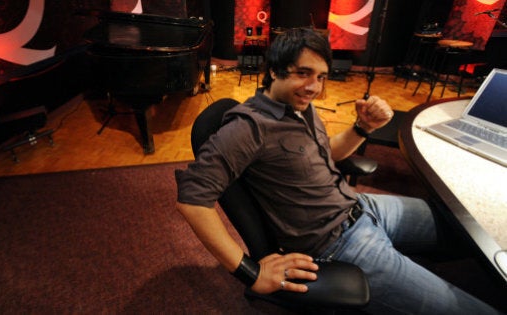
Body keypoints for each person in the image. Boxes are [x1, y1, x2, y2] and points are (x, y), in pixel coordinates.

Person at [175, 28, 502, 314]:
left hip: (363, 207)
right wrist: (249, 272)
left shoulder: (300, 106)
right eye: (303, 73)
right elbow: (192, 200)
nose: (314, 86)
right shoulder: (249, 127)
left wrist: (362, 127)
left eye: (321, 76)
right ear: (274, 71)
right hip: (340, 243)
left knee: (470, 227)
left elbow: (325, 155)